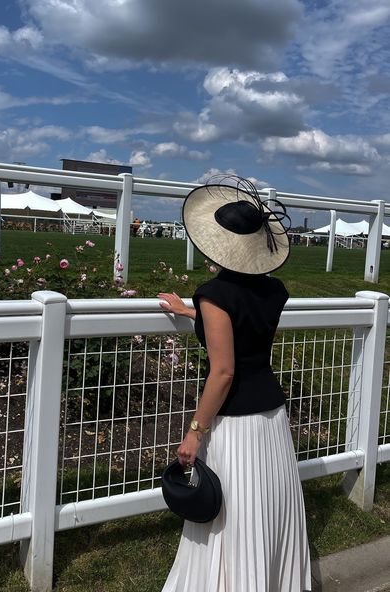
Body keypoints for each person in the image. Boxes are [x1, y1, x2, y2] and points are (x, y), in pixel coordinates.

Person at [158, 177, 311, 592]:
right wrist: (190, 313)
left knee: (235, 511)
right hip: (271, 416)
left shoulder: (214, 293)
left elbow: (223, 370)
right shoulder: (274, 290)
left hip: (235, 424)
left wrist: (195, 431)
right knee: (266, 504)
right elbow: (246, 334)